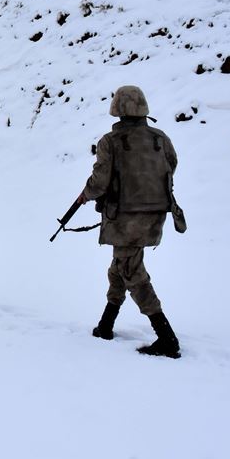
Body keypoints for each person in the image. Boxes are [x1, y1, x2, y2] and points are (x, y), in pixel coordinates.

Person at [77, 85, 181, 358]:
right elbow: (172, 165)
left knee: (131, 271)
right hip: (156, 214)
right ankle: (106, 324)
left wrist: (86, 194)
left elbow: (100, 182)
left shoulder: (110, 142)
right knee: (121, 266)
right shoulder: (161, 138)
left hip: (125, 217)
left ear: (118, 109)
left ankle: (166, 337)